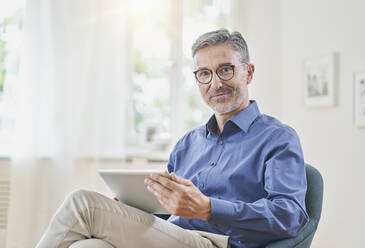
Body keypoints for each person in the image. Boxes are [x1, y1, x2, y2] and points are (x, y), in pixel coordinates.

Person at [36, 29, 309, 248]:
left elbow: (290, 216)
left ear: (248, 72)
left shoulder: (277, 138)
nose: (215, 84)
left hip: (221, 243)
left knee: (83, 203)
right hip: (171, 235)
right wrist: (136, 205)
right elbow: (167, 210)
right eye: (204, 74)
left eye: (225, 69)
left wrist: (208, 208)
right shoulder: (188, 144)